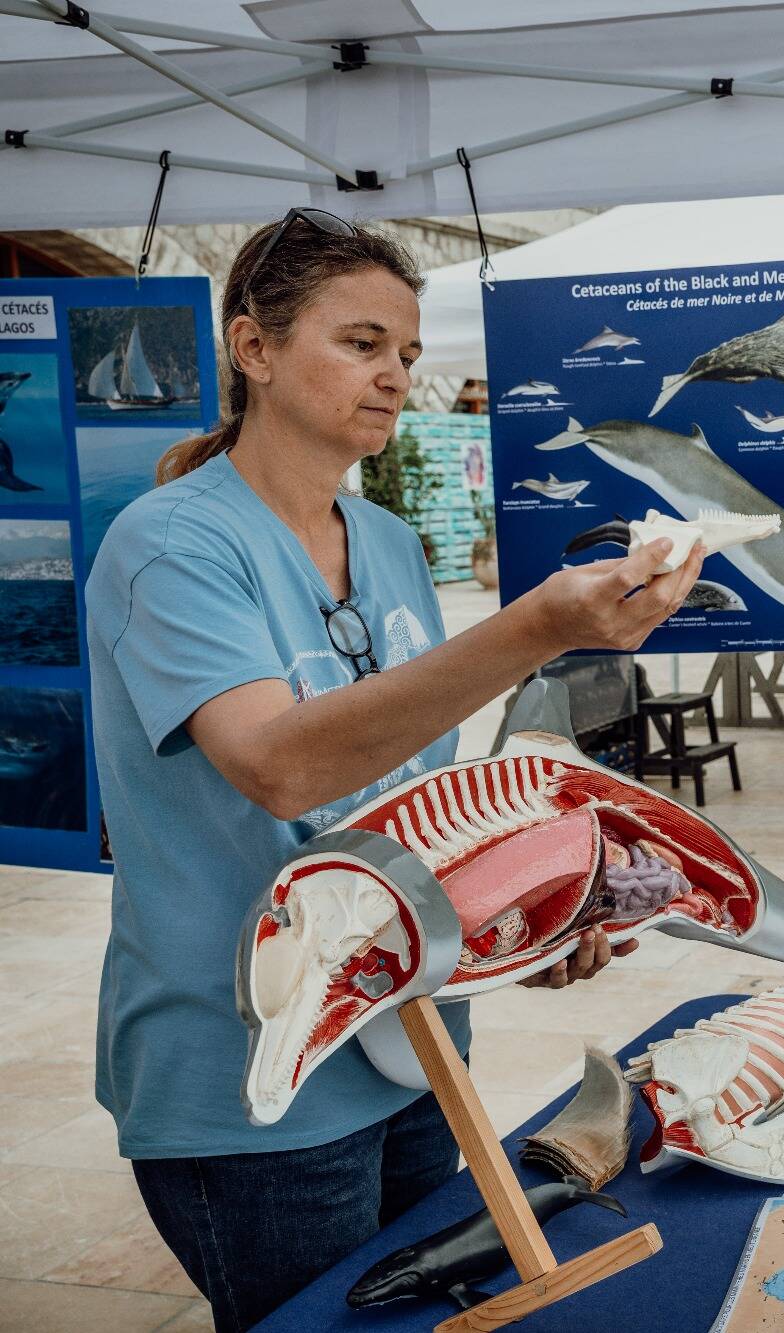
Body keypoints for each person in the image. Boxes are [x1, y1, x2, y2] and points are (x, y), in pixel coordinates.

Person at [85, 212, 708, 1332]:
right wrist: (534, 630)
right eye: (362, 342)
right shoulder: (172, 542)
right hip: (251, 1073)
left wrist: (527, 920)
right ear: (253, 348)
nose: (394, 377)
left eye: (408, 354)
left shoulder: (387, 544)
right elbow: (280, 768)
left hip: (411, 1043)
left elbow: (409, 806)